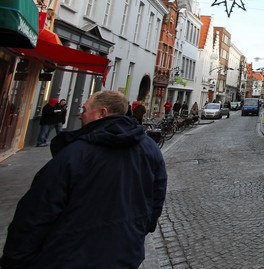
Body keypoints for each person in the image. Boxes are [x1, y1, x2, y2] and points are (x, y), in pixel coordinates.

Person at [0, 90, 167, 268]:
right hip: (126, 252)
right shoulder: (150, 147)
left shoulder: (75, 153)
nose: (81, 115)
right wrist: (140, 228)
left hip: (70, 256)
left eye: (85, 110)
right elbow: (157, 195)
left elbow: (37, 211)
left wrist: (15, 259)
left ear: (102, 113)